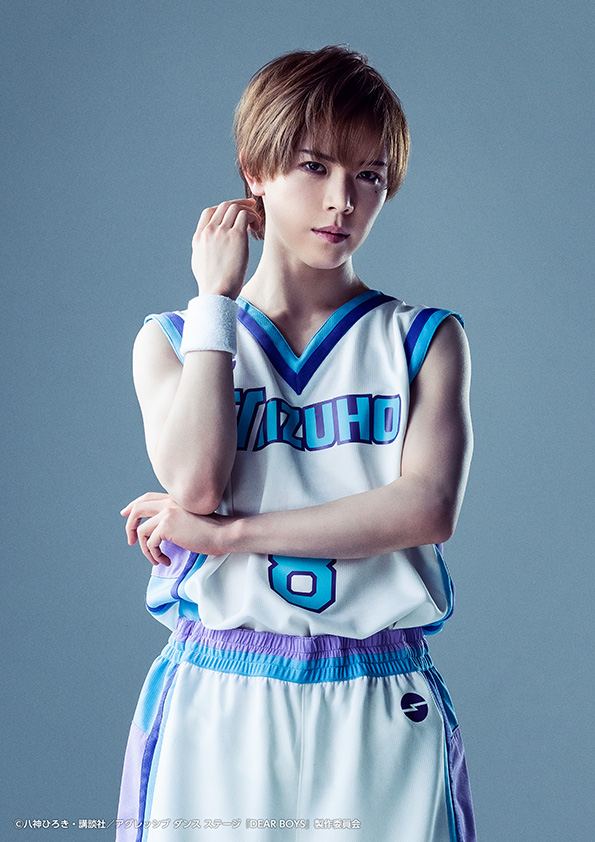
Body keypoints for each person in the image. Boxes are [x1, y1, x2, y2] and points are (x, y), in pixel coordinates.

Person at [116, 45, 476, 841]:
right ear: (255, 170)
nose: (341, 200)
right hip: (220, 690)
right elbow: (196, 485)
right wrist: (215, 302)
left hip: (377, 687)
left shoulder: (422, 339)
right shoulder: (174, 338)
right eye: (314, 166)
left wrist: (228, 537)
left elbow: (424, 509)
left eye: (368, 176)